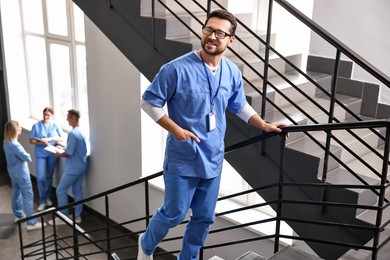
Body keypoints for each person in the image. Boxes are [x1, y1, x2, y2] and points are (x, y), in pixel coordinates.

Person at [139, 9, 287, 260]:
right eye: (209, 29)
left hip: (213, 155)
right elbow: (149, 103)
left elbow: (238, 104)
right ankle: (146, 245)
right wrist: (176, 130)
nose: (212, 36)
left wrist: (262, 124)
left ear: (231, 40)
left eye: (220, 32)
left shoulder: (232, 72)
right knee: (174, 213)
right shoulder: (174, 69)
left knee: (205, 217)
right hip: (184, 156)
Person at [3, 120, 46, 231]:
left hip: (12, 173)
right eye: (19, 127)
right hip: (21, 173)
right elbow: (27, 157)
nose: (20, 128)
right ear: (15, 130)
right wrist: (27, 156)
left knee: (16, 192)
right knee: (28, 196)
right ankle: (31, 223)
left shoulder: (6, 142)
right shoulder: (15, 145)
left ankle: (19, 215)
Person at [48, 109, 88, 225]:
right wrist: (64, 149)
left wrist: (59, 153)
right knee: (78, 191)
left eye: (68, 117)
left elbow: (69, 153)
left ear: (73, 118)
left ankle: (63, 217)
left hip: (73, 168)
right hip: (82, 165)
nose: (66, 119)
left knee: (60, 190)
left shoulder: (72, 133)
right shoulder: (81, 131)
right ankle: (77, 216)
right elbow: (75, 149)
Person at [29, 107, 63, 211]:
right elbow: (31, 140)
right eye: (44, 114)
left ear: (52, 116)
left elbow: (61, 137)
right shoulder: (36, 125)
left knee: (49, 176)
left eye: (48, 115)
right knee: (40, 178)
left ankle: (47, 197)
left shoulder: (55, 125)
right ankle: (42, 201)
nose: (46, 117)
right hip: (40, 153)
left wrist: (51, 139)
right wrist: (40, 142)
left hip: (51, 152)